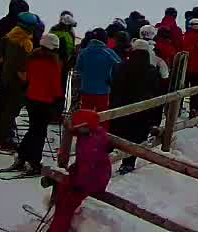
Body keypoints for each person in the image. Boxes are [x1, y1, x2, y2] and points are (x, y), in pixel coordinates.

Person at [47, 107, 113, 232]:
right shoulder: (89, 132)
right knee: (62, 191)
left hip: (94, 180)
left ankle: (57, 229)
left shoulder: (92, 145)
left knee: (67, 203)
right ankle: (57, 222)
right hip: (84, 174)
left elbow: (90, 169)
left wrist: (79, 185)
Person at [111, 37, 166, 173]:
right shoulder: (152, 70)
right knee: (136, 137)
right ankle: (128, 162)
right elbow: (156, 92)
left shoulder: (122, 66)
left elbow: (115, 86)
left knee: (120, 135)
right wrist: (155, 116)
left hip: (123, 106)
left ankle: (110, 159)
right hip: (143, 110)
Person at [11, 32, 64, 174]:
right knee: (39, 132)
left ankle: (22, 157)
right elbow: (55, 84)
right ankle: (34, 161)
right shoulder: (53, 63)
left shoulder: (32, 57)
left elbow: (27, 77)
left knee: (33, 130)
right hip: (45, 101)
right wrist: (59, 99)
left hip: (31, 98)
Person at [0, 10, 38, 146]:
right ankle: (2, 137)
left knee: (2, 106)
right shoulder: (24, 43)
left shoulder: (9, 36)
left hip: (5, 76)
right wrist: (26, 82)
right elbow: (22, 68)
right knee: (10, 110)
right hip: (16, 82)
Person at [74, 30, 120, 114]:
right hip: (103, 90)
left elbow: (78, 69)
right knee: (103, 115)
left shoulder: (84, 52)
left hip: (86, 89)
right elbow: (119, 65)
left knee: (86, 114)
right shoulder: (109, 52)